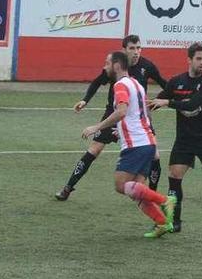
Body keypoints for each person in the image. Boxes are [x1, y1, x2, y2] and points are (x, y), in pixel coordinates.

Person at [56, 34, 167, 200]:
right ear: (124, 50)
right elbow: (96, 82)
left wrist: (164, 99)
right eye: (132, 48)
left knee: (155, 156)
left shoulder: (147, 66)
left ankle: (152, 193)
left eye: (138, 48)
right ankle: (68, 187)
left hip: (137, 119)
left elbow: (165, 84)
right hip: (113, 114)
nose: (136, 52)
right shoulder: (116, 68)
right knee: (94, 150)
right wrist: (85, 100)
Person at [81, 51, 175, 238]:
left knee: (120, 184)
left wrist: (97, 127)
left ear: (116, 65)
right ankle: (162, 223)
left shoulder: (120, 85)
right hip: (146, 141)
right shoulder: (136, 84)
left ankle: (165, 201)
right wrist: (122, 130)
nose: (104, 67)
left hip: (136, 145)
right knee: (136, 192)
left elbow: (122, 111)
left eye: (107, 63)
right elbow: (140, 113)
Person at [148, 43, 202, 233]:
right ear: (189, 60)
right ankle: (173, 221)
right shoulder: (177, 82)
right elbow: (156, 102)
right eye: (199, 59)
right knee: (174, 176)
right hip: (184, 139)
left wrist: (168, 102)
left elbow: (193, 104)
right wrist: (144, 108)